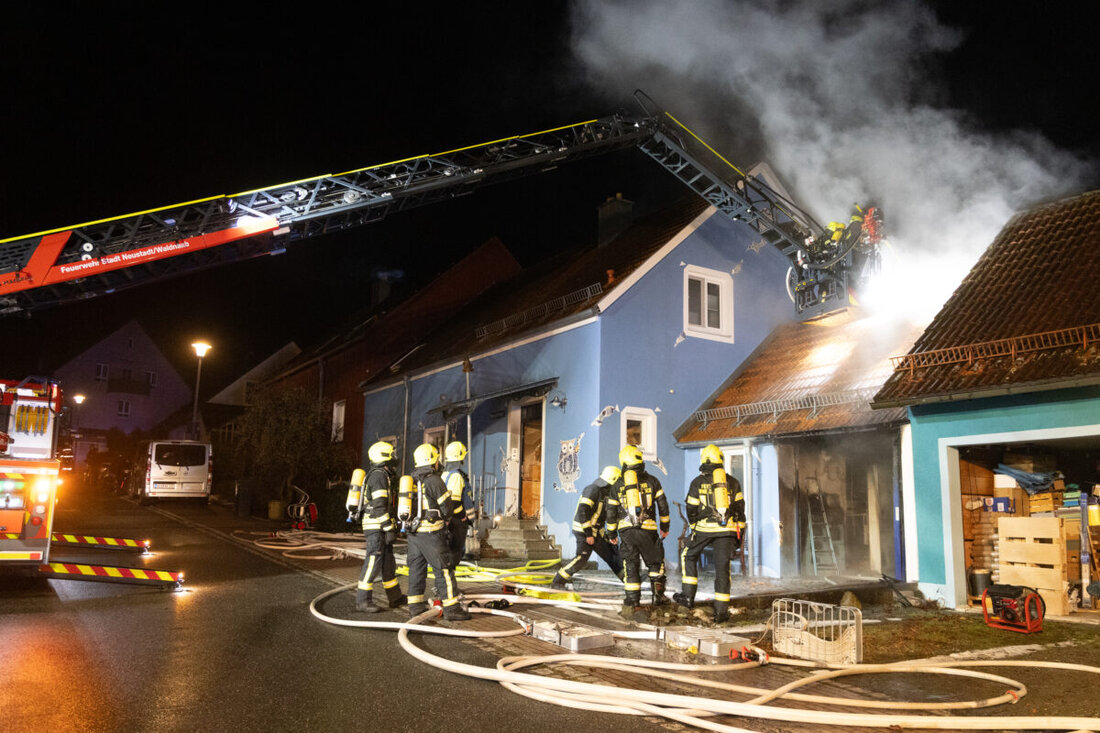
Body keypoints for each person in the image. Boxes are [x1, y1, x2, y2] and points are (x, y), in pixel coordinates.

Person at [673, 444, 746, 623]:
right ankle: (721, 612)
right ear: (720, 460)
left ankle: (688, 597)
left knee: (688, 555)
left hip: (704, 530)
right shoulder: (733, 482)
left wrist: (694, 527)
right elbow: (741, 510)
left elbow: (691, 508)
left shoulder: (697, 482)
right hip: (727, 530)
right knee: (723, 569)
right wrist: (738, 536)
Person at [401, 443, 470, 621]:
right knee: (444, 570)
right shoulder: (433, 480)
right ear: (431, 460)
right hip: (432, 533)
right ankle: (452, 609)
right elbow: (447, 507)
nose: (439, 462)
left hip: (414, 534)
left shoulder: (410, 480)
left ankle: (415, 606)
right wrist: (447, 520)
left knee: (416, 569)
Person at [605, 445, 671, 617]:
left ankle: (632, 601)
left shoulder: (617, 485)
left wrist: (611, 534)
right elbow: (663, 506)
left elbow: (611, 512)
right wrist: (665, 527)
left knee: (630, 565)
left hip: (626, 532)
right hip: (648, 530)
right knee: (655, 564)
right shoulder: (653, 481)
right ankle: (658, 597)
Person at [348, 441, 406, 613]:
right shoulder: (379, 476)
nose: (394, 458)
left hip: (379, 525)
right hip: (376, 527)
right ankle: (362, 600)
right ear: (384, 457)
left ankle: (395, 597)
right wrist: (388, 528)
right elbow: (380, 506)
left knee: (388, 563)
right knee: (373, 562)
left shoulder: (381, 475)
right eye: (391, 454)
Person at [551, 465, 625, 589]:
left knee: (612, 555)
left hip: (597, 532)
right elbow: (583, 511)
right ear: (612, 480)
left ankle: (628, 581)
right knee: (582, 558)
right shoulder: (593, 490)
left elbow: (608, 515)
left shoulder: (607, 493)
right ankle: (558, 581)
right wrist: (588, 534)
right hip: (584, 531)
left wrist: (611, 534)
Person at [440, 440, 472, 570]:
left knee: (448, 550)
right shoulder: (457, 476)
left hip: (447, 518)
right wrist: (463, 517)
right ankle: (449, 583)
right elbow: (454, 501)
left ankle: (445, 581)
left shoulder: (444, 474)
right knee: (455, 551)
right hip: (456, 520)